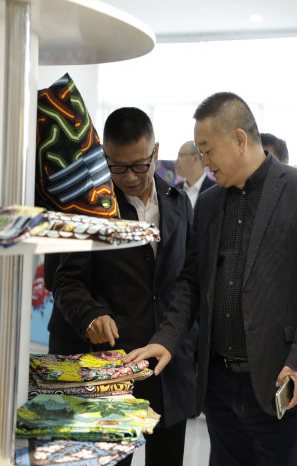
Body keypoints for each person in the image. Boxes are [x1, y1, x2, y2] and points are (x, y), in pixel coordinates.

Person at [123, 92, 297, 466]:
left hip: (278, 381)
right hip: (220, 389)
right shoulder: (208, 202)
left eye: (207, 150)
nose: (203, 161)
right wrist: (166, 339)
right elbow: (191, 282)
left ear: (239, 139)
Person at [52, 108, 198, 466]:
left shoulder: (179, 202)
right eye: (118, 167)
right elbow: (66, 280)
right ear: (105, 156)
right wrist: (90, 315)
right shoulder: (89, 208)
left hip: (167, 366)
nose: (130, 177)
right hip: (113, 368)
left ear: (155, 152)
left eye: (139, 165)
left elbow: (189, 279)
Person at [175, 140, 215, 207]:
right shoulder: (175, 190)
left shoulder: (215, 191)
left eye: (180, 156)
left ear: (195, 158)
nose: (175, 162)